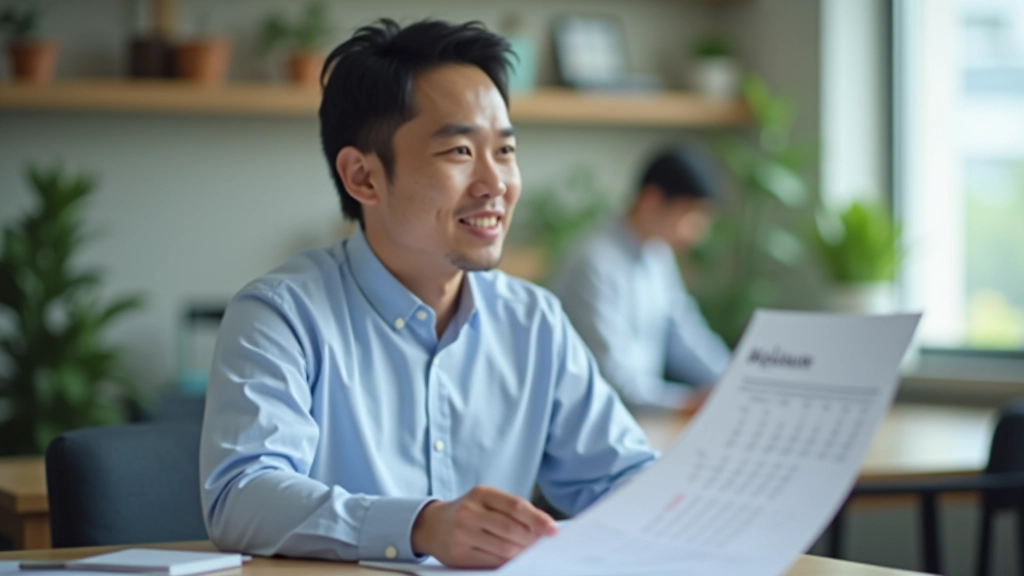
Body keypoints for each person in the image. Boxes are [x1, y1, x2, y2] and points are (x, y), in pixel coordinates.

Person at [198, 19, 657, 569]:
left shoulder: (533, 321)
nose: (496, 185)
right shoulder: (281, 316)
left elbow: (621, 478)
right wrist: (420, 526)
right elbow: (241, 497)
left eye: (505, 151)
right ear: (363, 177)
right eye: (460, 151)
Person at [550, 145, 732, 412]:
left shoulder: (658, 257)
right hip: (593, 424)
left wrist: (735, 380)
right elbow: (613, 382)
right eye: (692, 216)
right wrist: (688, 403)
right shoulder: (593, 263)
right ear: (652, 200)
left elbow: (687, 337)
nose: (698, 233)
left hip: (641, 418)